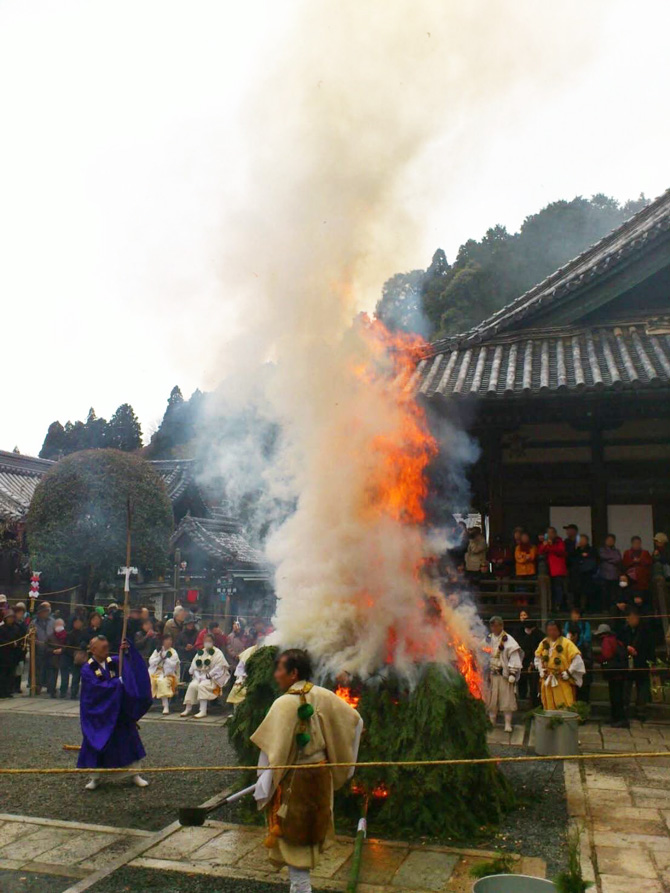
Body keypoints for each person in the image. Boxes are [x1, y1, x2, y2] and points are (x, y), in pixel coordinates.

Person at [251, 649, 362, 893]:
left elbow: (270, 752)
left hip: (294, 783)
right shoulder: (324, 696)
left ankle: (300, 888)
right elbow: (355, 721)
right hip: (320, 778)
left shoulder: (282, 704)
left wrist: (265, 778)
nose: (276, 674)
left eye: (280, 669)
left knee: (295, 839)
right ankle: (300, 886)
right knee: (306, 837)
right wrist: (346, 766)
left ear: (293, 673)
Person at [78, 636, 152, 790]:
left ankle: (135, 774)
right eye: (103, 648)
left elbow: (132, 666)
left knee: (129, 740)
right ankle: (95, 777)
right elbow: (95, 689)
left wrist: (127, 650)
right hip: (99, 714)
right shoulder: (87, 669)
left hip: (118, 711)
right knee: (97, 743)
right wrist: (117, 683)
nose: (106, 650)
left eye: (107, 647)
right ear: (93, 650)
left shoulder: (114, 661)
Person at [482, 616, 523, 732]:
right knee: (491, 700)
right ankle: (492, 721)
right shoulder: (488, 639)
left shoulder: (508, 640)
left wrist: (512, 673)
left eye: (496, 625)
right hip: (491, 674)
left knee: (507, 699)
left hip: (504, 674)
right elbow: (479, 650)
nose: (494, 628)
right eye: (492, 626)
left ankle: (507, 724)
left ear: (501, 626)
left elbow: (514, 657)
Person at [534, 619, 585, 709]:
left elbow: (577, 660)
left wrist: (569, 672)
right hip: (547, 679)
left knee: (565, 704)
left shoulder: (567, 643)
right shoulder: (544, 642)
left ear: (559, 630)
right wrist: (541, 670)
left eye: (554, 630)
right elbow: (538, 658)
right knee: (549, 705)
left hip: (561, 679)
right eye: (549, 630)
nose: (552, 633)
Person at [181, 632, 230, 718]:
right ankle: (188, 708)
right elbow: (194, 666)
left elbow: (219, 667)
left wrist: (207, 676)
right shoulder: (200, 652)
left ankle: (202, 710)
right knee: (192, 685)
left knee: (202, 685)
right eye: (205, 641)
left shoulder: (218, 653)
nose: (207, 643)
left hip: (214, 678)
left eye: (209, 641)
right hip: (200, 676)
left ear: (213, 642)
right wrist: (198, 676)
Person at [620, 609, 654, 723]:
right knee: (626, 687)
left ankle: (640, 710)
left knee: (642, 688)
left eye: (632, 618)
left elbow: (650, 647)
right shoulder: (625, 630)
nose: (629, 620)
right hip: (628, 662)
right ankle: (624, 708)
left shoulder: (645, 631)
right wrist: (627, 648)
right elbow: (619, 643)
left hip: (641, 661)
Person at [594, 623, 628, 727]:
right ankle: (617, 718)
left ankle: (619, 719)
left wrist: (599, 659)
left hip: (613, 673)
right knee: (618, 697)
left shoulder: (606, 641)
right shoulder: (616, 640)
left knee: (615, 697)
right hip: (620, 672)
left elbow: (607, 655)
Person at [148, 634, 181, 715]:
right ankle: (147, 704)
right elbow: (151, 661)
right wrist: (160, 657)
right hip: (156, 672)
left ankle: (165, 706)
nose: (169, 642)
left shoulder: (173, 652)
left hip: (168, 674)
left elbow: (173, 665)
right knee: (147, 681)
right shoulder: (157, 650)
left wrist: (166, 659)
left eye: (170, 640)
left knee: (162, 682)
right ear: (163, 641)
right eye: (167, 640)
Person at [516, 612, 543, 708]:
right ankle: (522, 696)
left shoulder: (539, 635)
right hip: (523, 660)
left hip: (535, 662)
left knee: (534, 685)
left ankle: (535, 703)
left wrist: (533, 662)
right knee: (522, 680)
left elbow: (539, 651)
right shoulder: (521, 633)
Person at [538, 528, 568, 612]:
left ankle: (560, 606)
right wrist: (544, 544)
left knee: (559, 589)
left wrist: (550, 546)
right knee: (550, 590)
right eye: (548, 533)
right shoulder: (546, 542)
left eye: (551, 533)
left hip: (558, 569)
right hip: (548, 569)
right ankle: (552, 606)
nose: (550, 535)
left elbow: (561, 551)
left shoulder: (559, 542)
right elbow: (540, 551)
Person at [622, 536, 653, 611]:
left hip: (643, 579)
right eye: (635, 543)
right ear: (632, 544)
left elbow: (649, 563)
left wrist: (640, 560)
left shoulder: (645, 553)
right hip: (631, 580)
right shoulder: (627, 553)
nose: (637, 545)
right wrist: (633, 562)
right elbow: (624, 564)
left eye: (638, 543)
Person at [566, 621, 592, 703]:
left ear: (575, 635)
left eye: (571, 635)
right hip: (570, 678)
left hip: (584, 679)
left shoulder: (584, 645)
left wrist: (579, 660)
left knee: (583, 701)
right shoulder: (566, 646)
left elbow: (590, 661)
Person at [32, 601, 55, 694]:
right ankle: (38, 686)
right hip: (39, 649)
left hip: (50, 649)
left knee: (50, 669)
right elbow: (30, 636)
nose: (46, 613)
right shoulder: (34, 623)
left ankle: (50, 687)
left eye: (47, 611)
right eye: (44, 611)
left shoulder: (52, 621)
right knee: (39, 669)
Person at [0, 611, 24, 698]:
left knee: (10, 674)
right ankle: (1, 692)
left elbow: (19, 638)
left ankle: (8, 691)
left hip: (12, 654)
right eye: (9, 618)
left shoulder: (16, 628)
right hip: (3, 655)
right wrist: (10, 643)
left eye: (12, 618)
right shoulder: (2, 628)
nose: (11, 619)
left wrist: (17, 643)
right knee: (3, 674)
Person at [62, 616, 86, 699]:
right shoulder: (70, 634)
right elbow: (68, 647)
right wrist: (75, 654)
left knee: (84, 677)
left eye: (79, 622)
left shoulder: (84, 633)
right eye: (76, 622)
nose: (78, 624)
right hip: (74, 658)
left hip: (84, 658)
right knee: (75, 677)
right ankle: (73, 693)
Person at [598, 534, 622, 613]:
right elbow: (603, 556)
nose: (610, 542)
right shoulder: (602, 549)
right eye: (609, 540)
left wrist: (609, 560)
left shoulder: (616, 550)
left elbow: (618, 558)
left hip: (615, 575)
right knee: (605, 593)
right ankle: (605, 608)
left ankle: (613, 608)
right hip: (605, 575)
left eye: (612, 540)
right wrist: (613, 559)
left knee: (614, 593)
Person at [575, 534, 598, 610]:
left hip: (589, 574)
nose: (581, 541)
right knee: (578, 592)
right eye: (580, 540)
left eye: (583, 540)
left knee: (589, 592)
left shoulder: (591, 550)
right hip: (578, 574)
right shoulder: (576, 550)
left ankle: (589, 608)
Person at [46, 618, 67, 698]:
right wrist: (53, 651)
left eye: (61, 625)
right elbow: (46, 648)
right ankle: (52, 691)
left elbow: (68, 645)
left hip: (64, 658)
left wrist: (62, 650)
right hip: (53, 658)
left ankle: (63, 691)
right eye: (57, 625)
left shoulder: (66, 635)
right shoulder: (50, 636)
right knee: (53, 676)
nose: (59, 627)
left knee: (64, 675)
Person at [175, 614, 199, 682]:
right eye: (189, 623)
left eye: (192, 623)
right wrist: (185, 648)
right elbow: (177, 646)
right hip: (183, 659)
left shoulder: (197, 634)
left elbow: (199, 646)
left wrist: (193, 647)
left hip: (194, 658)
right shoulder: (181, 634)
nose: (191, 625)